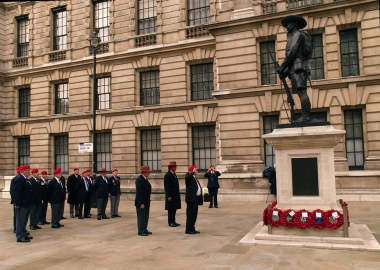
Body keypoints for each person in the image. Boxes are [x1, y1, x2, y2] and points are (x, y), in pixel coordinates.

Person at [276, 15, 311, 123]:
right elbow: (291, 59)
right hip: (294, 68)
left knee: (302, 92)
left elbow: (292, 53)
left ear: (294, 25)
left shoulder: (297, 35)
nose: (286, 26)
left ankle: (306, 117)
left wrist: (282, 68)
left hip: (299, 68)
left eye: (289, 24)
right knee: (301, 92)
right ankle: (305, 116)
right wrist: (285, 73)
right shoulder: (292, 37)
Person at [13, 165, 33, 242]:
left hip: (27, 203)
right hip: (22, 203)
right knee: (20, 220)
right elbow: (17, 192)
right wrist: (17, 203)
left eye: (29, 170)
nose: (29, 172)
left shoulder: (26, 179)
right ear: (23, 171)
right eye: (27, 170)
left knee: (24, 220)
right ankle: (20, 236)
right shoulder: (19, 179)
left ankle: (23, 233)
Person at [135, 166, 152, 236]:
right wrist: (141, 203)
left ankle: (144, 228)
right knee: (141, 217)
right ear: (144, 172)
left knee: (145, 216)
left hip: (146, 201)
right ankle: (141, 230)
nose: (149, 173)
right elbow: (139, 192)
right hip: (141, 202)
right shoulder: (139, 180)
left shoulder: (145, 179)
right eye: (148, 172)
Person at [185, 165, 202, 235]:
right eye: (195, 169)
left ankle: (192, 228)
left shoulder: (194, 178)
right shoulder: (189, 176)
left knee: (194, 215)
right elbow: (187, 176)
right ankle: (188, 229)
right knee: (190, 215)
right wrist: (192, 172)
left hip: (195, 199)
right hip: (191, 199)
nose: (196, 171)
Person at [164, 161, 181, 227]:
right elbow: (167, 186)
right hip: (171, 195)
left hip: (175, 194)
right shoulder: (167, 175)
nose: (175, 168)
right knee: (171, 209)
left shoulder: (174, 174)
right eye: (174, 167)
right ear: (171, 168)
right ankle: (170, 221)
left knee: (174, 208)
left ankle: (173, 221)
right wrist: (169, 195)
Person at [10, 166, 21, 233]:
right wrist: (14, 201)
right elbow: (12, 191)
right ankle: (16, 228)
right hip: (16, 200)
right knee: (17, 215)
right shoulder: (15, 179)